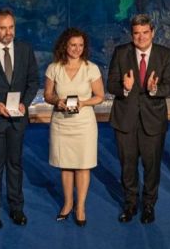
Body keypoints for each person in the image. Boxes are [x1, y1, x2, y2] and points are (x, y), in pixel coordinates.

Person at [108, 14, 170, 224]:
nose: (141, 37)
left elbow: (169, 85)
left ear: (152, 32)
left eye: (145, 32)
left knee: (151, 166)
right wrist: (124, 89)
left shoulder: (165, 54)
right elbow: (111, 85)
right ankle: (130, 205)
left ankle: (148, 205)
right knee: (128, 166)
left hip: (153, 120)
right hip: (125, 120)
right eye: (137, 33)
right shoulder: (121, 53)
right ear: (132, 34)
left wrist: (155, 90)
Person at [43, 28, 105, 227]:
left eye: (80, 45)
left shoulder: (91, 68)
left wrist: (84, 103)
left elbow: (100, 96)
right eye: (73, 45)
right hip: (61, 123)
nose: (77, 49)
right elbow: (47, 95)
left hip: (84, 124)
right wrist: (57, 101)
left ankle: (81, 207)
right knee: (66, 165)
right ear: (64, 46)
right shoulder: (53, 68)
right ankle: (68, 203)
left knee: (82, 165)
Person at [0, 9, 39, 229]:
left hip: (17, 120)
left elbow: (33, 81)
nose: (8, 32)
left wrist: (25, 102)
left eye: (11, 27)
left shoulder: (25, 50)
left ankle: (17, 209)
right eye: (3, 28)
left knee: (15, 164)